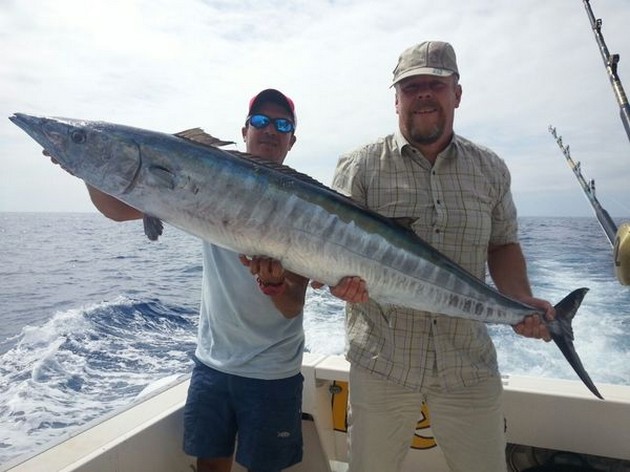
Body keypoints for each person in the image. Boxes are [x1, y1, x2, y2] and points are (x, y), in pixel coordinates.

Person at [48, 89, 311, 472]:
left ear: (292, 140)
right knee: (209, 465)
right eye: (260, 121)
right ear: (244, 130)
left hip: (272, 372)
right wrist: (83, 165)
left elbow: (292, 305)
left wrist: (274, 288)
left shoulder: (304, 207)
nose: (270, 129)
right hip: (212, 364)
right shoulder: (202, 182)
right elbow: (117, 209)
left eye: (282, 124)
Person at [329, 41, 556, 472]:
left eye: (436, 83)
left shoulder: (490, 169)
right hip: (382, 364)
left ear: (457, 93)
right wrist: (341, 283)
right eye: (412, 86)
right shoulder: (359, 166)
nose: (424, 94)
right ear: (396, 98)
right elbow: (333, 247)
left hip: (467, 364)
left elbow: (503, 243)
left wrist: (520, 299)